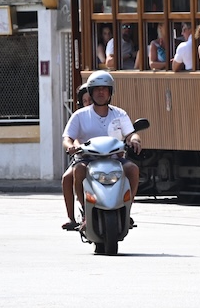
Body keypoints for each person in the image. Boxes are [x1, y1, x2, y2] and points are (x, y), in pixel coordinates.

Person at [60, 70, 141, 230]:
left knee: (133, 169)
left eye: (104, 88)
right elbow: (67, 138)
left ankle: (126, 210)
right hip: (86, 160)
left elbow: (131, 134)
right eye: (97, 89)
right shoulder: (80, 115)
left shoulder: (120, 114)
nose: (101, 92)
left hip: (115, 159)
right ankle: (82, 215)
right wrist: (70, 146)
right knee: (73, 174)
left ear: (111, 91)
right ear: (91, 92)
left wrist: (135, 140)